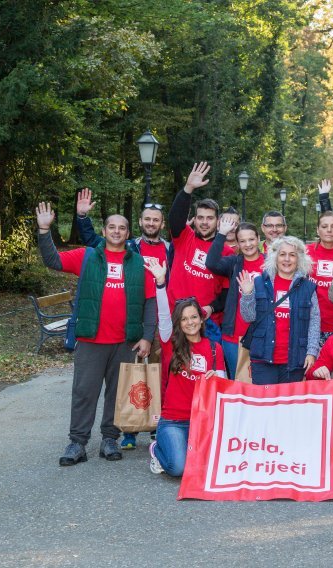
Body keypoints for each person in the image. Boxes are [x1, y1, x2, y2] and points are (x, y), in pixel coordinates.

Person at [36, 202, 154, 466]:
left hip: (126, 341)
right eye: (112, 227)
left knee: (117, 392)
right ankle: (77, 442)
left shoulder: (138, 263)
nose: (116, 231)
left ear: (127, 233)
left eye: (122, 228)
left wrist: (147, 336)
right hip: (90, 339)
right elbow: (52, 260)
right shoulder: (87, 256)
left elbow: (150, 301)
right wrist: (44, 231)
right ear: (104, 230)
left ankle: (110, 438)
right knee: (84, 392)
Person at [75, 189, 171, 450]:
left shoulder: (170, 250)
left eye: (156, 220)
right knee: (119, 382)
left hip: (156, 324)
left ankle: (142, 427)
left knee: (145, 379)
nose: (151, 223)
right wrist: (83, 217)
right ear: (139, 224)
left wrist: (152, 332)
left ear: (162, 224)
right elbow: (95, 241)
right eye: (147, 219)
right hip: (121, 329)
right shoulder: (130, 247)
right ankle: (117, 434)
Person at [144, 258, 226, 476]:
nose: (190, 322)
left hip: (203, 422)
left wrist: (215, 379)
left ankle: (188, 451)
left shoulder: (215, 348)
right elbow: (162, 314)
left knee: (210, 469)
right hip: (173, 421)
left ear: (201, 319)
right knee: (179, 468)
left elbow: (223, 387)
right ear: (178, 323)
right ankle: (157, 450)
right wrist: (160, 283)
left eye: (194, 317)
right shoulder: (170, 342)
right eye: (184, 319)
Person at [238, 236, 320, 384]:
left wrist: (312, 352)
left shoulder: (308, 287)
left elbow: (314, 321)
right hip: (263, 359)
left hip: (295, 361)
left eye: (292, 255)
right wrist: (247, 294)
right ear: (275, 257)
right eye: (282, 254)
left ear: (299, 259)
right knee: (265, 404)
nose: (287, 259)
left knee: (290, 406)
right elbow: (248, 317)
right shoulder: (259, 282)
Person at [167, 162, 233, 342]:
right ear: (194, 219)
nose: (204, 222)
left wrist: (211, 308)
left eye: (210, 218)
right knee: (175, 369)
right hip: (175, 318)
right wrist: (188, 189)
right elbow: (175, 218)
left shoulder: (226, 252)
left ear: (217, 221)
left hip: (207, 323)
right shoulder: (184, 237)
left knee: (207, 370)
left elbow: (227, 292)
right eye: (201, 217)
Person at [205, 218, 265, 379]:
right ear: (237, 243)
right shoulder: (234, 263)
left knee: (259, 383)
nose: (248, 244)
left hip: (261, 335)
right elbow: (211, 263)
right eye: (242, 241)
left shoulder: (269, 264)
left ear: (258, 239)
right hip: (233, 336)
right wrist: (222, 234)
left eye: (251, 239)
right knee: (235, 381)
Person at [305, 211, 333, 345]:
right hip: (309, 324)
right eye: (324, 226)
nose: (329, 230)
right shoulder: (305, 252)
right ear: (318, 230)